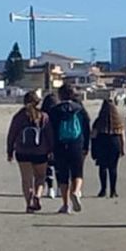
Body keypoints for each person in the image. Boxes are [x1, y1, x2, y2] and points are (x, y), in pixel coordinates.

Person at [5, 91, 52, 214]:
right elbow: (49, 135)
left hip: (22, 151)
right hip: (40, 151)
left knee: (26, 179)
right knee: (40, 177)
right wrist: (51, 149)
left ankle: (28, 204)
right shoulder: (43, 116)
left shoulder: (19, 116)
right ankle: (38, 195)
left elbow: (12, 135)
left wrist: (9, 151)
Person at [48, 84, 92, 214]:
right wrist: (86, 146)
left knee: (62, 175)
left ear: (60, 95)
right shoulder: (79, 109)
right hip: (77, 143)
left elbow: (51, 130)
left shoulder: (55, 110)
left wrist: (51, 147)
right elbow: (86, 128)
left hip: (60, 145)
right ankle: (76, 192)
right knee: (77, 172)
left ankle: (66, 205)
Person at [91, 98, 126, 198]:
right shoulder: (118, 120)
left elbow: (93, 135)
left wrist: (93, 149)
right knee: (113, 168)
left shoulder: (99, 121)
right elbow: (122, 136)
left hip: (102, 143)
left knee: (102, 167)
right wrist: (123, 149)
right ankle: (113, 191)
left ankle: (103, 190)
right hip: (115, 143)